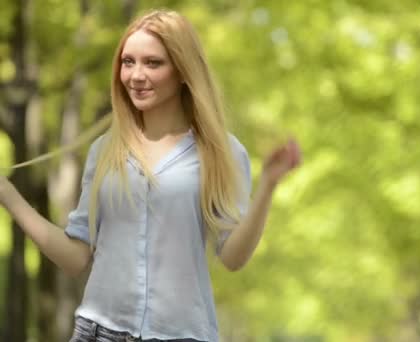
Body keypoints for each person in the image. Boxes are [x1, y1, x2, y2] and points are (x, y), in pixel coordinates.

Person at [0, 9, 301, 342]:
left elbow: (232, 257)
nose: (136, 75)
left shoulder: (221, 153)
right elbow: (75, 257)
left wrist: (268, 186)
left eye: (153, 63)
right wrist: (7, 194)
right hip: (97, 332)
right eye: (128, 62)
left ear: (184, 71)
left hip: (180, 334)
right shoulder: (104, 151)